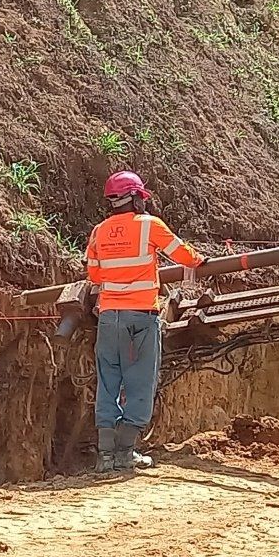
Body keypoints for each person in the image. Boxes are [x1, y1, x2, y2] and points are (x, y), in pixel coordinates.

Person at [84, 170, 203, 473]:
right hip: (141, 318)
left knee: (108, 383)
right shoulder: (149, 226)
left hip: (109, 318)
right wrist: (200, 260)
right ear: (137, 198)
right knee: (139, 383)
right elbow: (185, 257)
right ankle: (125, 453)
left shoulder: (98, 231)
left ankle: (105, 456)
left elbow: (95, 275)